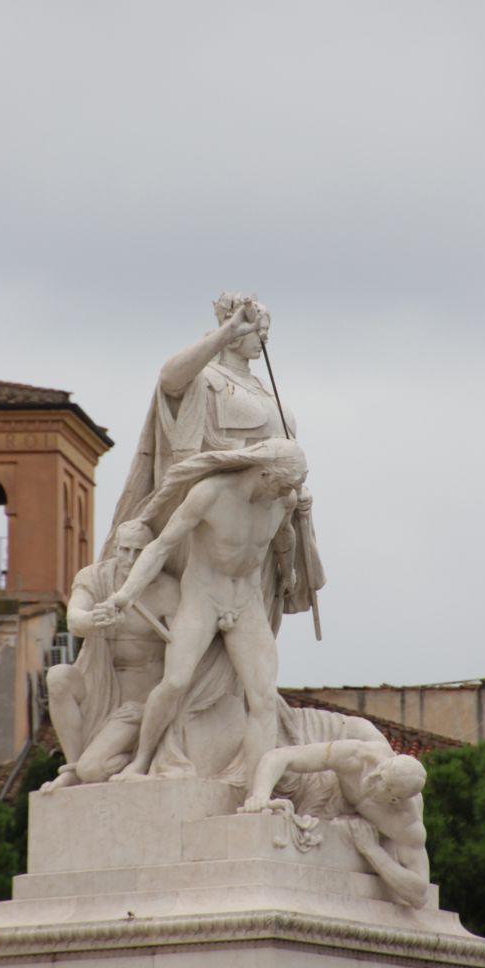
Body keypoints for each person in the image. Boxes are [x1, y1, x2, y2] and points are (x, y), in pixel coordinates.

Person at [92, 438, 308, 786]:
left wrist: (289, 570)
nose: (287, 492)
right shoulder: (210, 493)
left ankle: (256, 790)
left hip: (246, 600)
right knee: (175, 682)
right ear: (264, 473)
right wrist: (125, 594)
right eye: (283, 484)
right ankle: (142, 759)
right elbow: (161, 546)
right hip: (203, 597)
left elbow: (284, 536)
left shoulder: (284, 499)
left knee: (264, 698)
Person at [101, 293, 324, 623]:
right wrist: (228, 330)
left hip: (266, 520)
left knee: (255, 626)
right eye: (256, 330)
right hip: (215, 520)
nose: (263, 339)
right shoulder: (206, 378)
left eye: (266, 332)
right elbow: (169, 379)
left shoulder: (264, 388)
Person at [40, 520, 179, 792]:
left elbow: (184, 649)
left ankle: (135, 760)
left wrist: (156, 704)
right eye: (125, 550)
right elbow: (74, 620)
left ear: (150, 552)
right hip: (97, 683)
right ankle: (72, 768)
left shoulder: (166, 590)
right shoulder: (94, 578)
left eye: (139, 551)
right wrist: (94, 619)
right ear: (115, 548)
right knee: (58, 677)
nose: (130, 558)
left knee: (92, 770)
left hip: (138, 701)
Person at [239, 737, 430, 909]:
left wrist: (372, 850)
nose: (373, 781)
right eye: (379, 774)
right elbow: (280, 756)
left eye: (384, 786)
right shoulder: (358, 756)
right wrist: (260, 796)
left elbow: (420, 894)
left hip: (349, 822)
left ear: (395, 799)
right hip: (328, 791)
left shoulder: (405, 822)